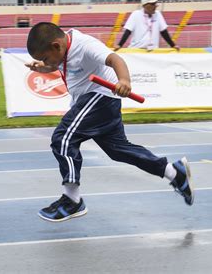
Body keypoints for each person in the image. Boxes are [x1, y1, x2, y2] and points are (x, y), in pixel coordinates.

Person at [25, 22, 193, 222]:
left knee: (63, 138)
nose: (45, 61)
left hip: (100, 97)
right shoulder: (60, 49)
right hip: (98, 104)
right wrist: (44, 67)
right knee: (118, 150)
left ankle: (72, 200)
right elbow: (57, 63)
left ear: (56, 46)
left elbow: (115, 59)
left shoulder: (84, 45)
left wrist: (124, 81)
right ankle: (175, 173)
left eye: (44, 57)